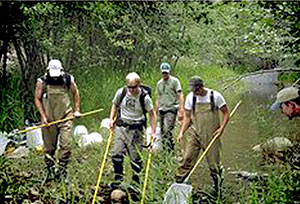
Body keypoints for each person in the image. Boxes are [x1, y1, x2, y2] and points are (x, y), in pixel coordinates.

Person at [175, 76, 229, 197]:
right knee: (187, 157)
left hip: (211, 133)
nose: (195, 92)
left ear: (201, 87)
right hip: (194, 132)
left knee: (214, 163)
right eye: (193, 90)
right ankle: (179, 184)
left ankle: (218, 187)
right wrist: (181, 132)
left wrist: (221, 129)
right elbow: (187, 117)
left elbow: (226, 113)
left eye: (196, 89)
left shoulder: (215, 96)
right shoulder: (190, 97)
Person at [34, 59, 81, 181]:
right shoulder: (42, 81)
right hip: (49, 119)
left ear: (61, 71)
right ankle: (49, 171)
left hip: (66, 116)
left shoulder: (67, 79)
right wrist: (43, 117)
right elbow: (37, 99)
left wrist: (76, 110)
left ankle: (62, 171)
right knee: (49, 148)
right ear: (48, 71)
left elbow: (75, 93)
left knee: (66, 145)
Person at [109, 72, 156, 190]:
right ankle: (118, 179)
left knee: (135, 158)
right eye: (129, 87)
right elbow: (114, 105)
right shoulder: (122, 92)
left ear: (139, 85)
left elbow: (152, 114)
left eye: (134, 87)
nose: (132, 90)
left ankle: (136, 182)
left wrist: (153, 131)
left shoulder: (144, 97)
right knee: (116, 154)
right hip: (122, 126)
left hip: (136, 130)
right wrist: (111, 119)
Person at [155, 62, 184, 151]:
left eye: (166, 73)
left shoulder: (175, 81)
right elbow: (158, 98)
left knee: (168, 130)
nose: (165, 74)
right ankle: (165, 151)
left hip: (171, 109)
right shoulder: (159, 83)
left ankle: (170, 150)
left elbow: (180, 95)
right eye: (163, 73)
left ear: (169, 72)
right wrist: (155, 113)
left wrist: (181, 110)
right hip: (161, 109)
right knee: (162, 131)